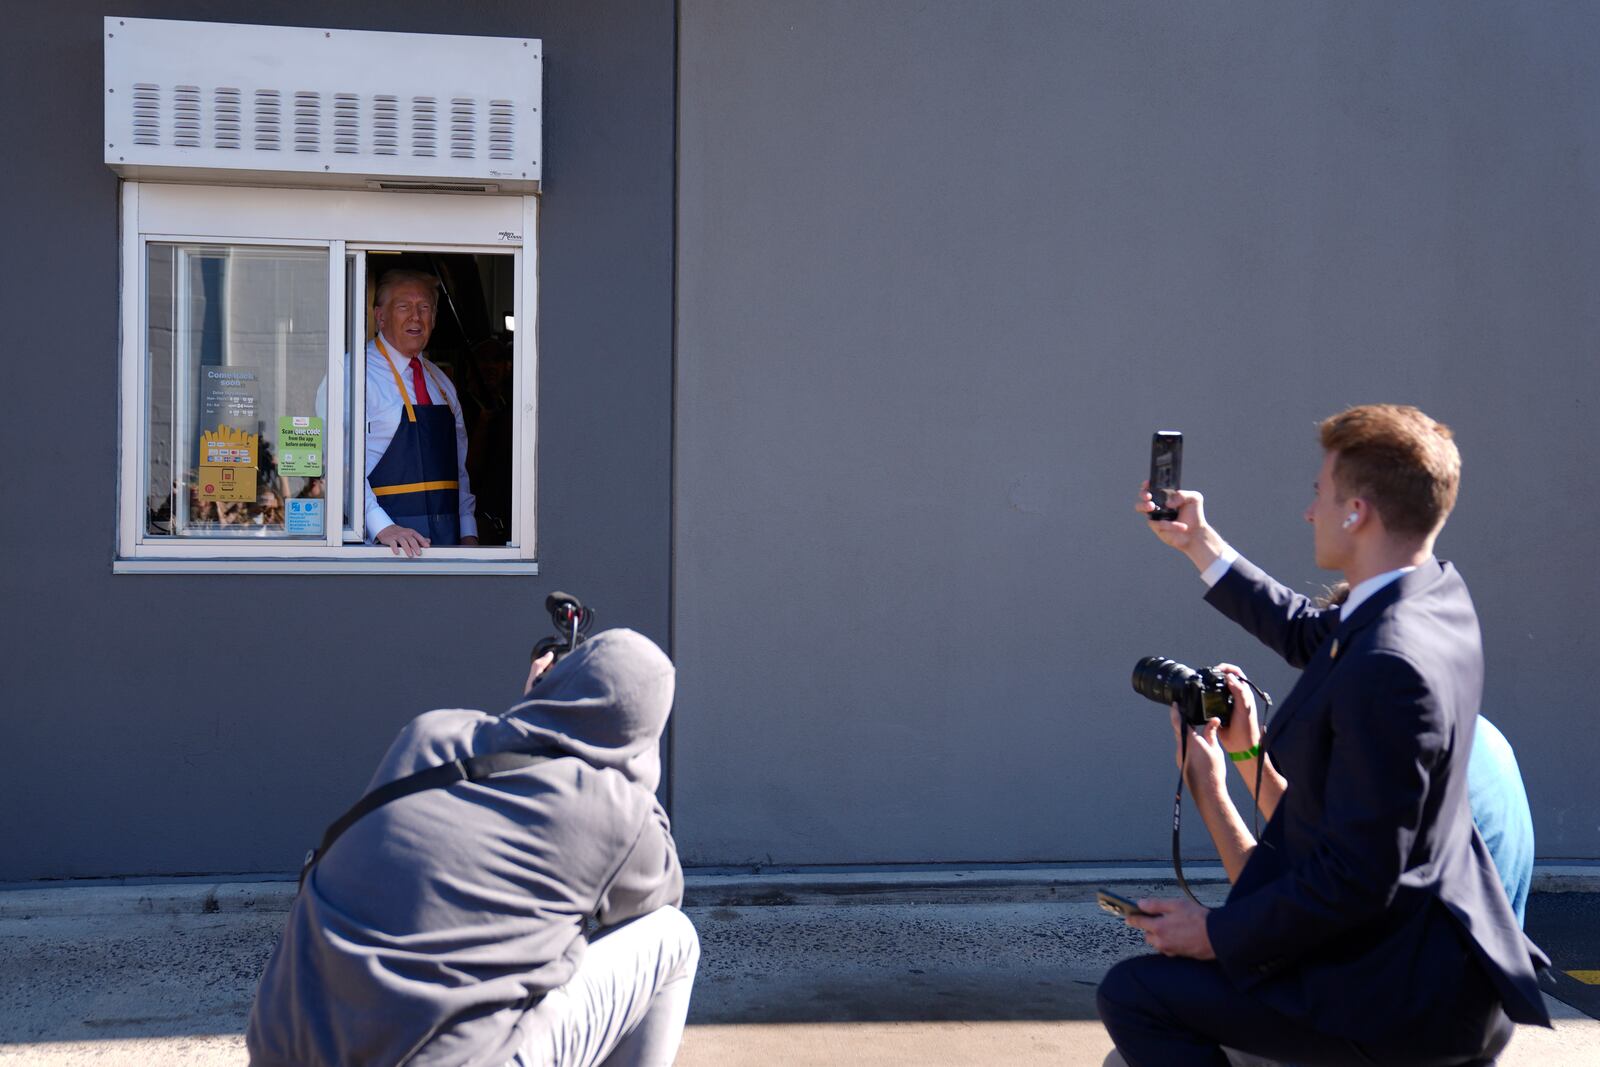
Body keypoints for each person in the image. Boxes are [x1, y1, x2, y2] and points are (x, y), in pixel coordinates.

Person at [1097, 404, 1550, 1066]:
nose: (1310, 511)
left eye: (1320, 492)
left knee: (1135, 993)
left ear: (1356, 511)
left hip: (1398, 999)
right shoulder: (1435, 598)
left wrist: (1215, 932)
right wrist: (1198, 542)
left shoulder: (1393, 665)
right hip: (1421, 960)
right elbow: (1312, 631)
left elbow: (1358, 876)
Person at [246, 629, 699, 1067]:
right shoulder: (616, 811)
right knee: (674, 936)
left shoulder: (428, 732)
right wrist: (635, 768)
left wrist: (532, 703)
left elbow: (495, 762)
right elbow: (659, 897)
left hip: (281, 1049)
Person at [365, 269, 479, 557]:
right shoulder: (353, 376)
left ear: (434, 319)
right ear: (380, 316)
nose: (415, 317)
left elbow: (459, 468)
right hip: (383, 552)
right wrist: (381, 527)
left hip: (447, 549)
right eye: (404, 307)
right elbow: (337, 465)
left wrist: (468, 531)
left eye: (424, 308)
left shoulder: (441, 383)